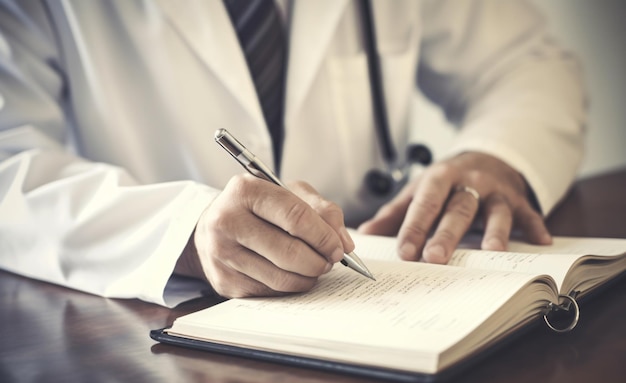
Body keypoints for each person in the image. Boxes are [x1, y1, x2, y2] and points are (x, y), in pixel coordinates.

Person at [0, 0, 585, 307]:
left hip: (373, 282)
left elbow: (525, 64)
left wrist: (494, 155)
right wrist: (182, 231)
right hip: (163, 330)